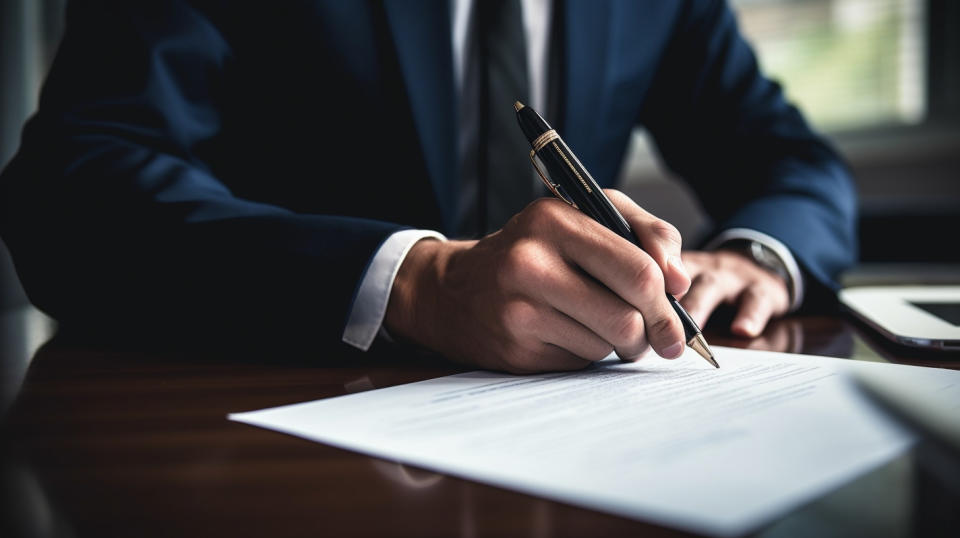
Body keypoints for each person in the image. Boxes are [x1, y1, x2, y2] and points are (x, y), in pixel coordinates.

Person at [0, 0, 856, 373]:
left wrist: (761, 255)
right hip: (281, 429)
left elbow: (795, 163)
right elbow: (71, 188)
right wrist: (414, 282)